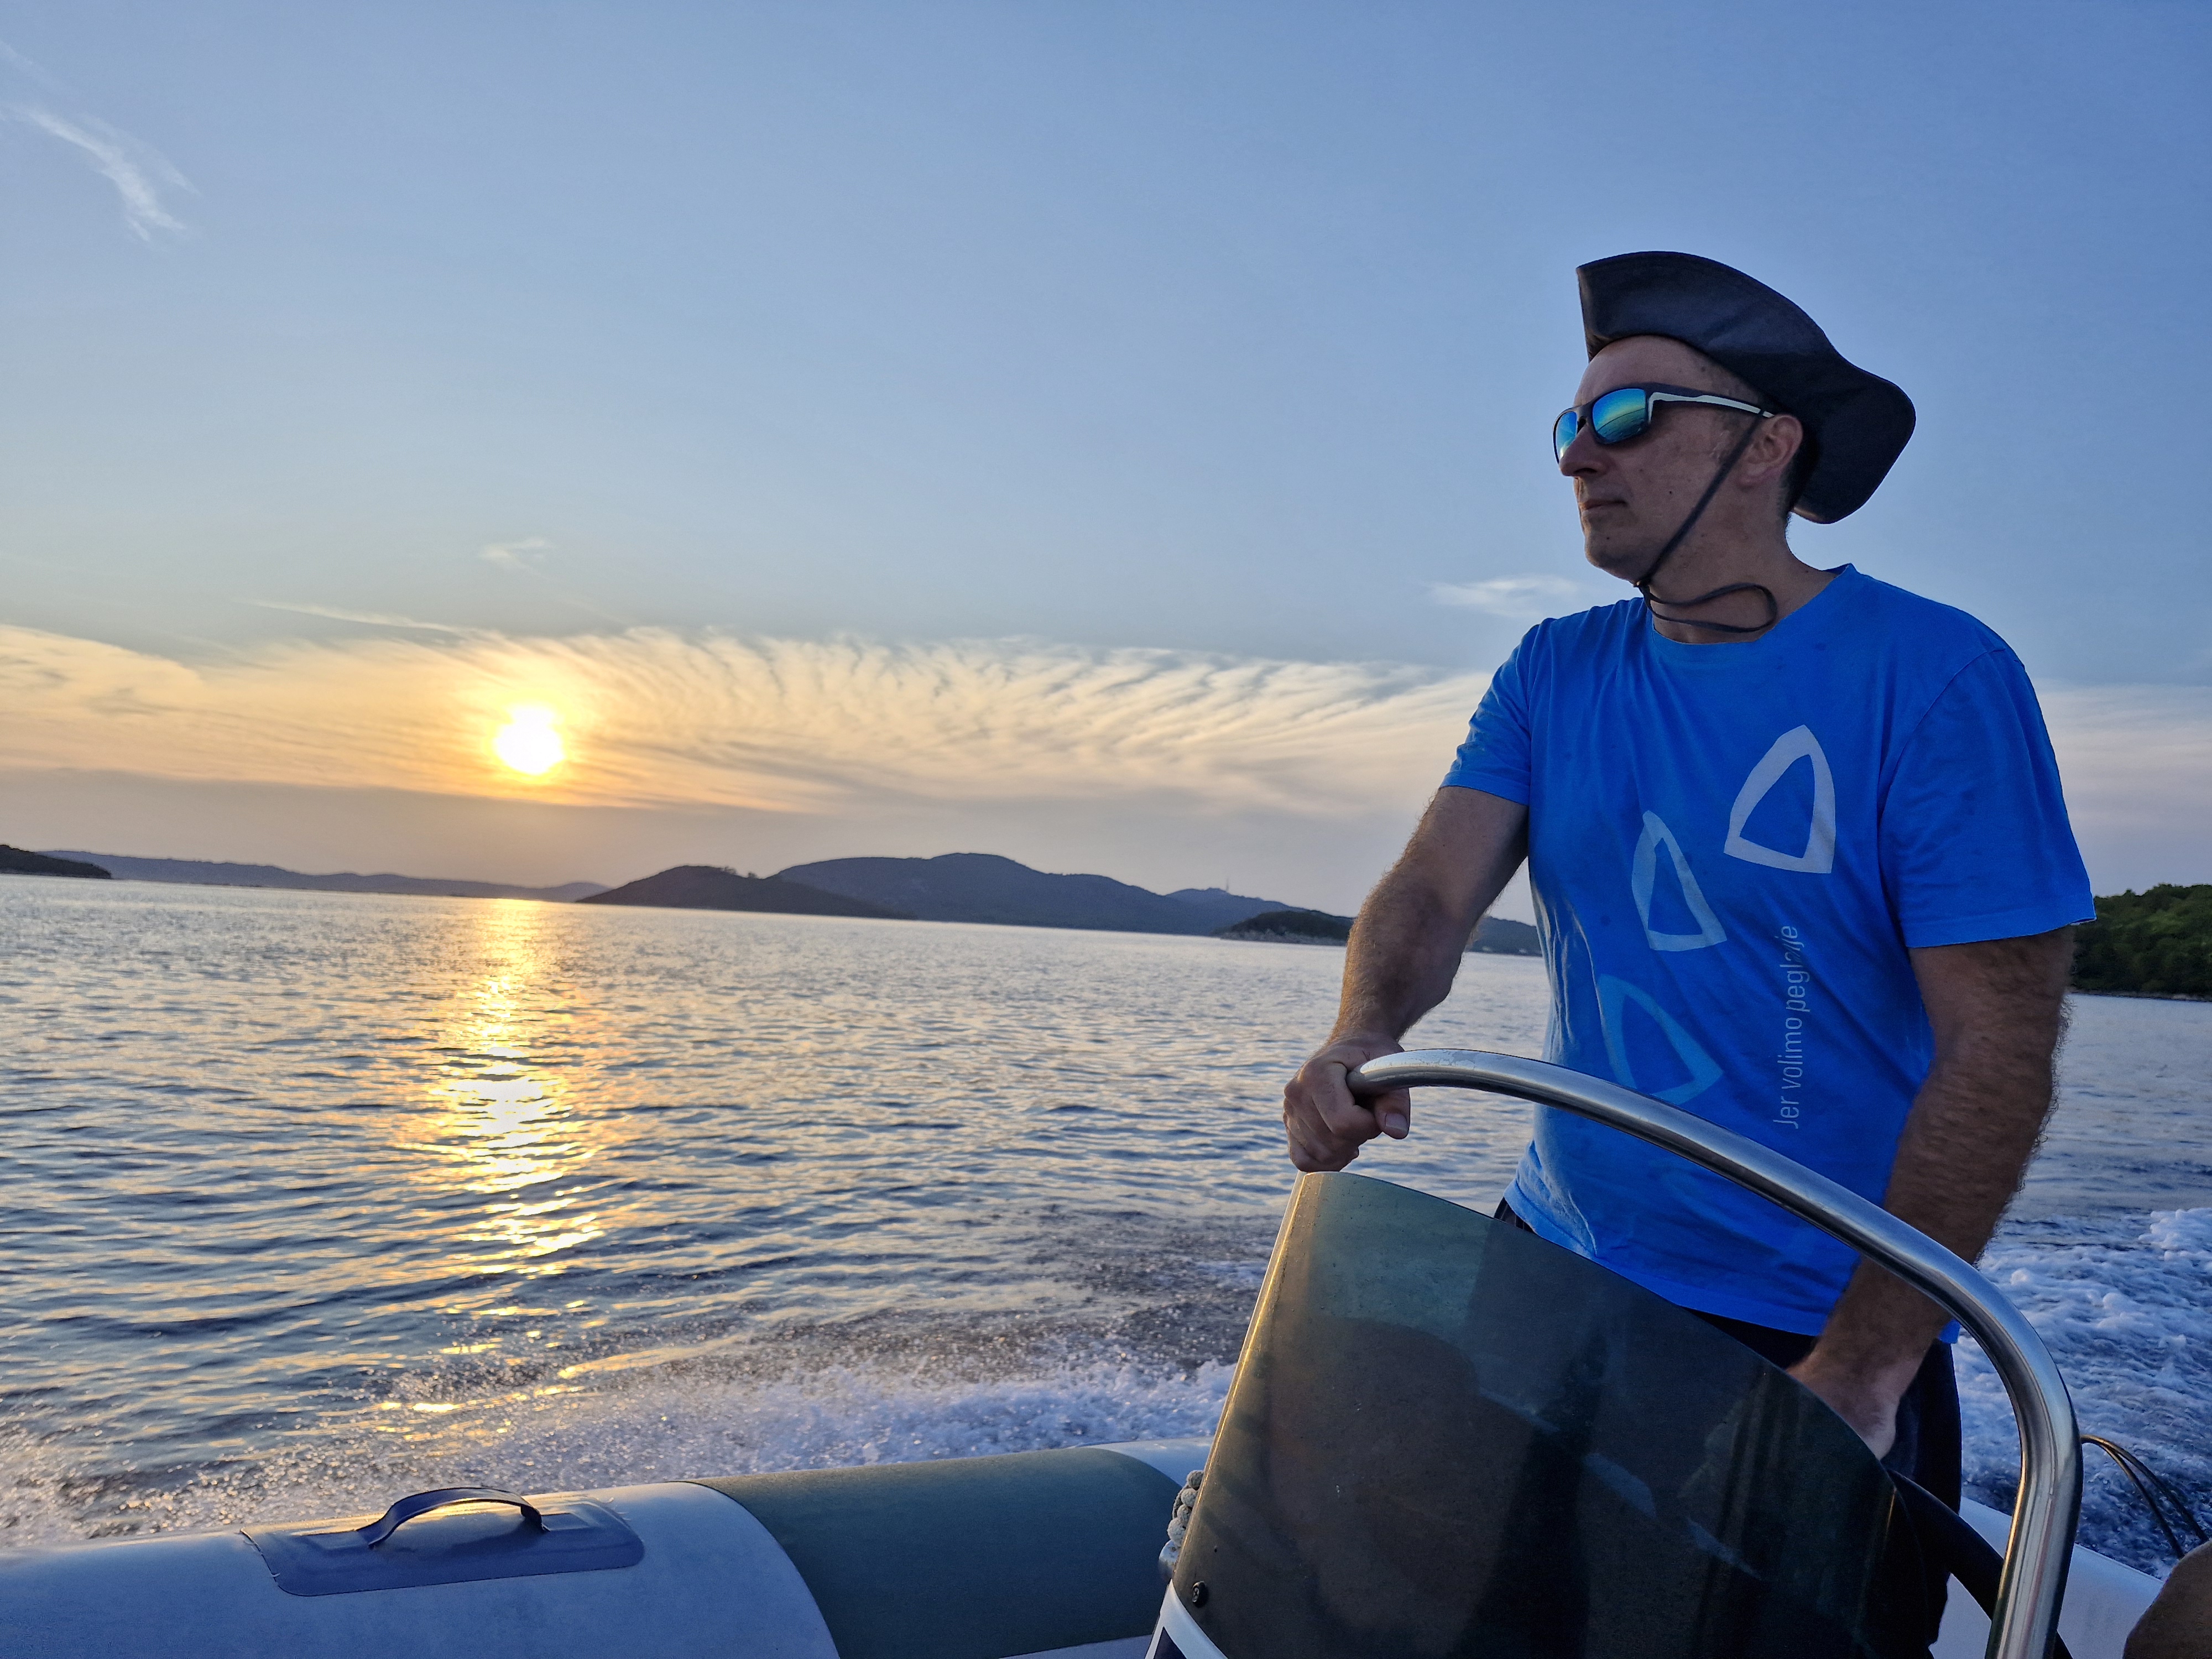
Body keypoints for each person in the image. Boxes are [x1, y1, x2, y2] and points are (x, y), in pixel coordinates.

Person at [1281, 252, 2093, 1506]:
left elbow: (1998, 1046)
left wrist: (1863, 1371)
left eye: (1626, 416)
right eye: (1569, 426)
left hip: (1809, 1325)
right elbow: (1433, 892)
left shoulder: (1936, 677)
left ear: (1765, 445)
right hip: (1552, 1260)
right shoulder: (1553, 670)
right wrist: (1362, 1028)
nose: (1577, 458)